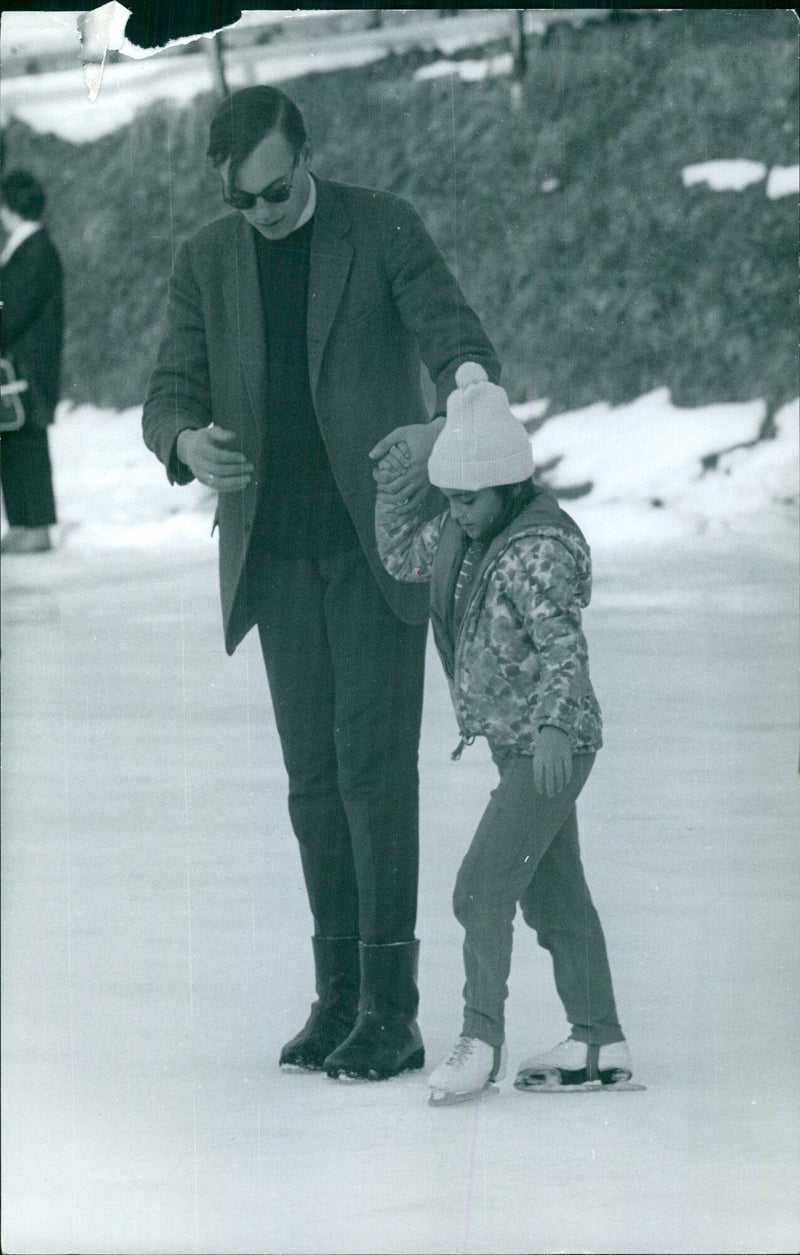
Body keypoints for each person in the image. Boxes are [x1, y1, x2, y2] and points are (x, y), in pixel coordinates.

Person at [142, 86, 501, 1081]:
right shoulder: (204, 260)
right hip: (276, 551)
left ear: (306, 153)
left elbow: (453, 333)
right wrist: (182, 439)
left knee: (373, 774)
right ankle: (338, 993)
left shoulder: (379, 224)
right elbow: (168, 386)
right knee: (312, 783)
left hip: (375, 542)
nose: (261, 213)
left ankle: (394, 1008)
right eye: (240, 201)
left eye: (276, 190)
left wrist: (450, 415)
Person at [374, 362, 634, 1104]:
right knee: (554, 898)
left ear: (509, 484)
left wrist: (555, 725)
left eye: (468, 499)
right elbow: (402, 555)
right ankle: (598, 1034)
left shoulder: (536, 549)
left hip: (551, 745)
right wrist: (395, 490)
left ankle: (480, 1038)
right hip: (518, 742)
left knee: (480, 887)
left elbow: (563, 647)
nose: (456, 512)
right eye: (448, 498)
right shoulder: (468, 531)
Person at [0, 169, 64, 555]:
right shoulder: (26, 247)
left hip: (28, 367)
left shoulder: (33, 248)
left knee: (27, 441)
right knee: (13, 439)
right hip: (21, 366)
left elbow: (12, 312)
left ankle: (35, 526)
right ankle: (23, 523)